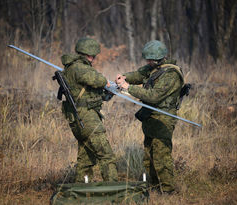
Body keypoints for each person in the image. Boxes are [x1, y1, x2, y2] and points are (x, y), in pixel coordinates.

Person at [115, 40, 183, 193]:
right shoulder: (153, 67)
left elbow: (153, 96)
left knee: (161, 156)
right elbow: (139, 74)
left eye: (150, 59)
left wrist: (129, 88)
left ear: (158, 58)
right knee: (149, 155)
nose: (147, 62)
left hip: (163, 119)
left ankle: (168, 190)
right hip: (150, 117)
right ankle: (153, 186)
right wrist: (124, 78)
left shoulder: (171, 75)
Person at [61, 37, 118, 183]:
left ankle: (81, 189)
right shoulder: (79, 68)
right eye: (93, 56)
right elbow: (98, 80)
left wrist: (109, 92)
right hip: (86, 118)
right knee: (106, 155)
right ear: (90, 54)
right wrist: (107, 82)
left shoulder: (72, 67)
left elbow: (92, 92)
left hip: (79, 118)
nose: (93, 59)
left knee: (86, 158)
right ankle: (114, 189)